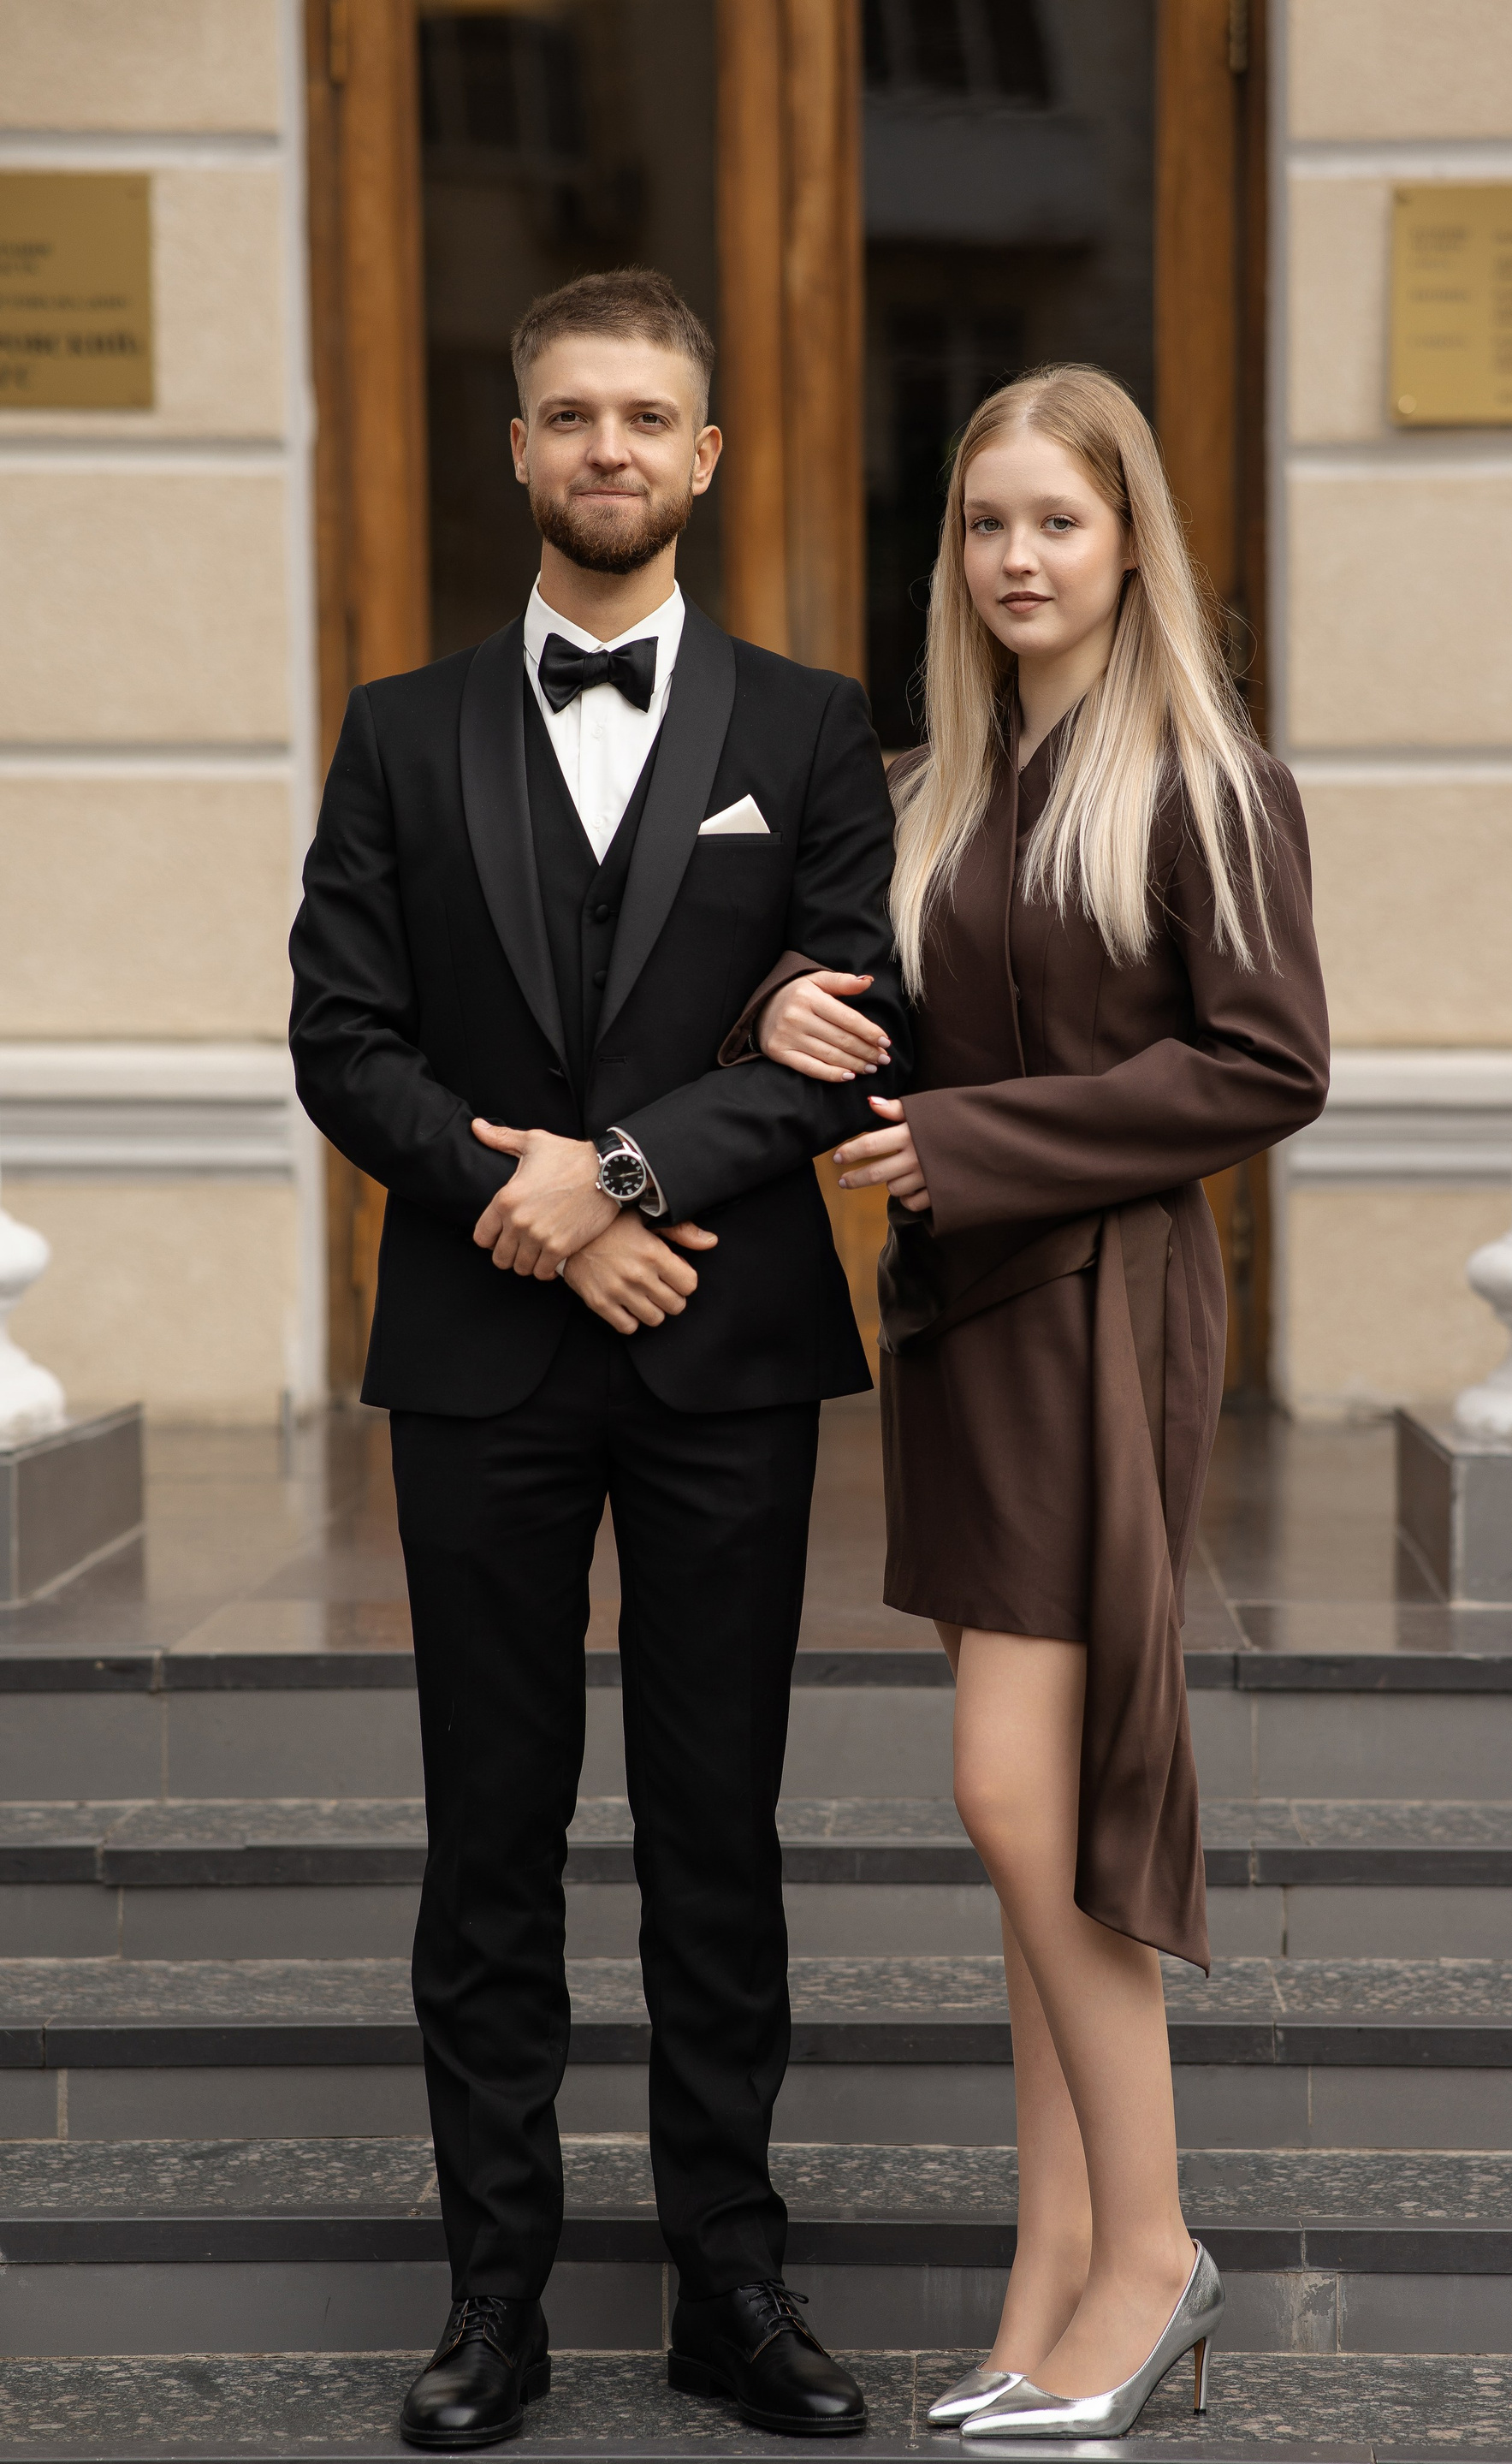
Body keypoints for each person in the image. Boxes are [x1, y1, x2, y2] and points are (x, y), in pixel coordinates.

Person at [289, 267, 908, 2449]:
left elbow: (849, 1033)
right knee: (491, 1831)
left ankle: (732, 2286)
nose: (610, 448)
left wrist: (621, 1175)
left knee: (715, 1824)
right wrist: (522, 1200)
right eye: (572, 415)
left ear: (706, 456)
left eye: (648, 416)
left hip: (726, 1346)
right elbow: (341, 1037)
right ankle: (496, 2301)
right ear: (521, 447)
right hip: (482, 1350)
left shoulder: (811, 730)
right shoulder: (398, 727)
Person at [753, 365, 1329, 2441]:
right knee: (1033, 1837)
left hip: (1100, 1308)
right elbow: (883, 1019)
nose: (1017, 557)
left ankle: (1155, 2257)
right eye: (986, 524)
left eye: (1057, 523)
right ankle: (1050, 2277)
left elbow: (1270, 1063)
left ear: (1129, 543)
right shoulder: (933, 789)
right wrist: (786, 1009)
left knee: (1021, 1801)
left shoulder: (1206, 784)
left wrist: (976, 1145)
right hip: (966, 1325)